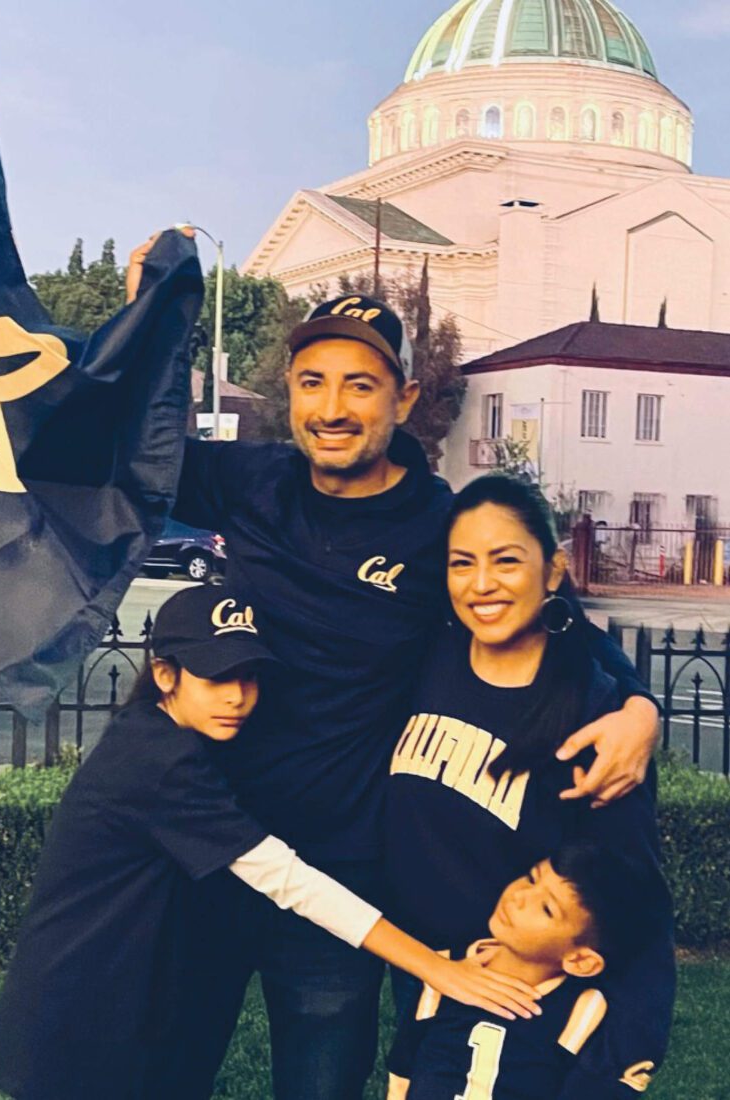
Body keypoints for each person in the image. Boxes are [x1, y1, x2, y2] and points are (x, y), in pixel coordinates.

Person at [126, 236, 660, 1099]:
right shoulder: (247, 480)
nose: (332, 408)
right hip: (209, 847)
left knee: (321, 1081)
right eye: (312, 383)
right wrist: (149, 321)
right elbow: (124, 452)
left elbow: (550, 616)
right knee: (157, 1065)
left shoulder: (439, 530)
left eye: (360, 386)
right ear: (289, 395)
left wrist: (637, 707)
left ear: (405, 399)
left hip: (340, 873)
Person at [0, 584, 541, 1100]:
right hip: (87, 1015)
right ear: (165, 675)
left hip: (136, 1000)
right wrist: (437, 969)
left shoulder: (167, 735)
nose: (239, 696)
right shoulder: (158, 760)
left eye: (250, 676)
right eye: (216, 677)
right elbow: (286, 880)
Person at [384, 475, 675, 1098]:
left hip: (525, 1005)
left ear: (552, 570)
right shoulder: (424, 658)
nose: (481, 584)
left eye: (506, 561)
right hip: (428, 975)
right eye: (463, 563)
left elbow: (634, 894)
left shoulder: (593, 712)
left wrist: (630, 1058)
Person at [386, 842, 670, 1100]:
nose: (520, 897)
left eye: (546, 908)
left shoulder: (580, 1010)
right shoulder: (444, 969)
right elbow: (403, 1070)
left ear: (581, 960)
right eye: (532, 878)